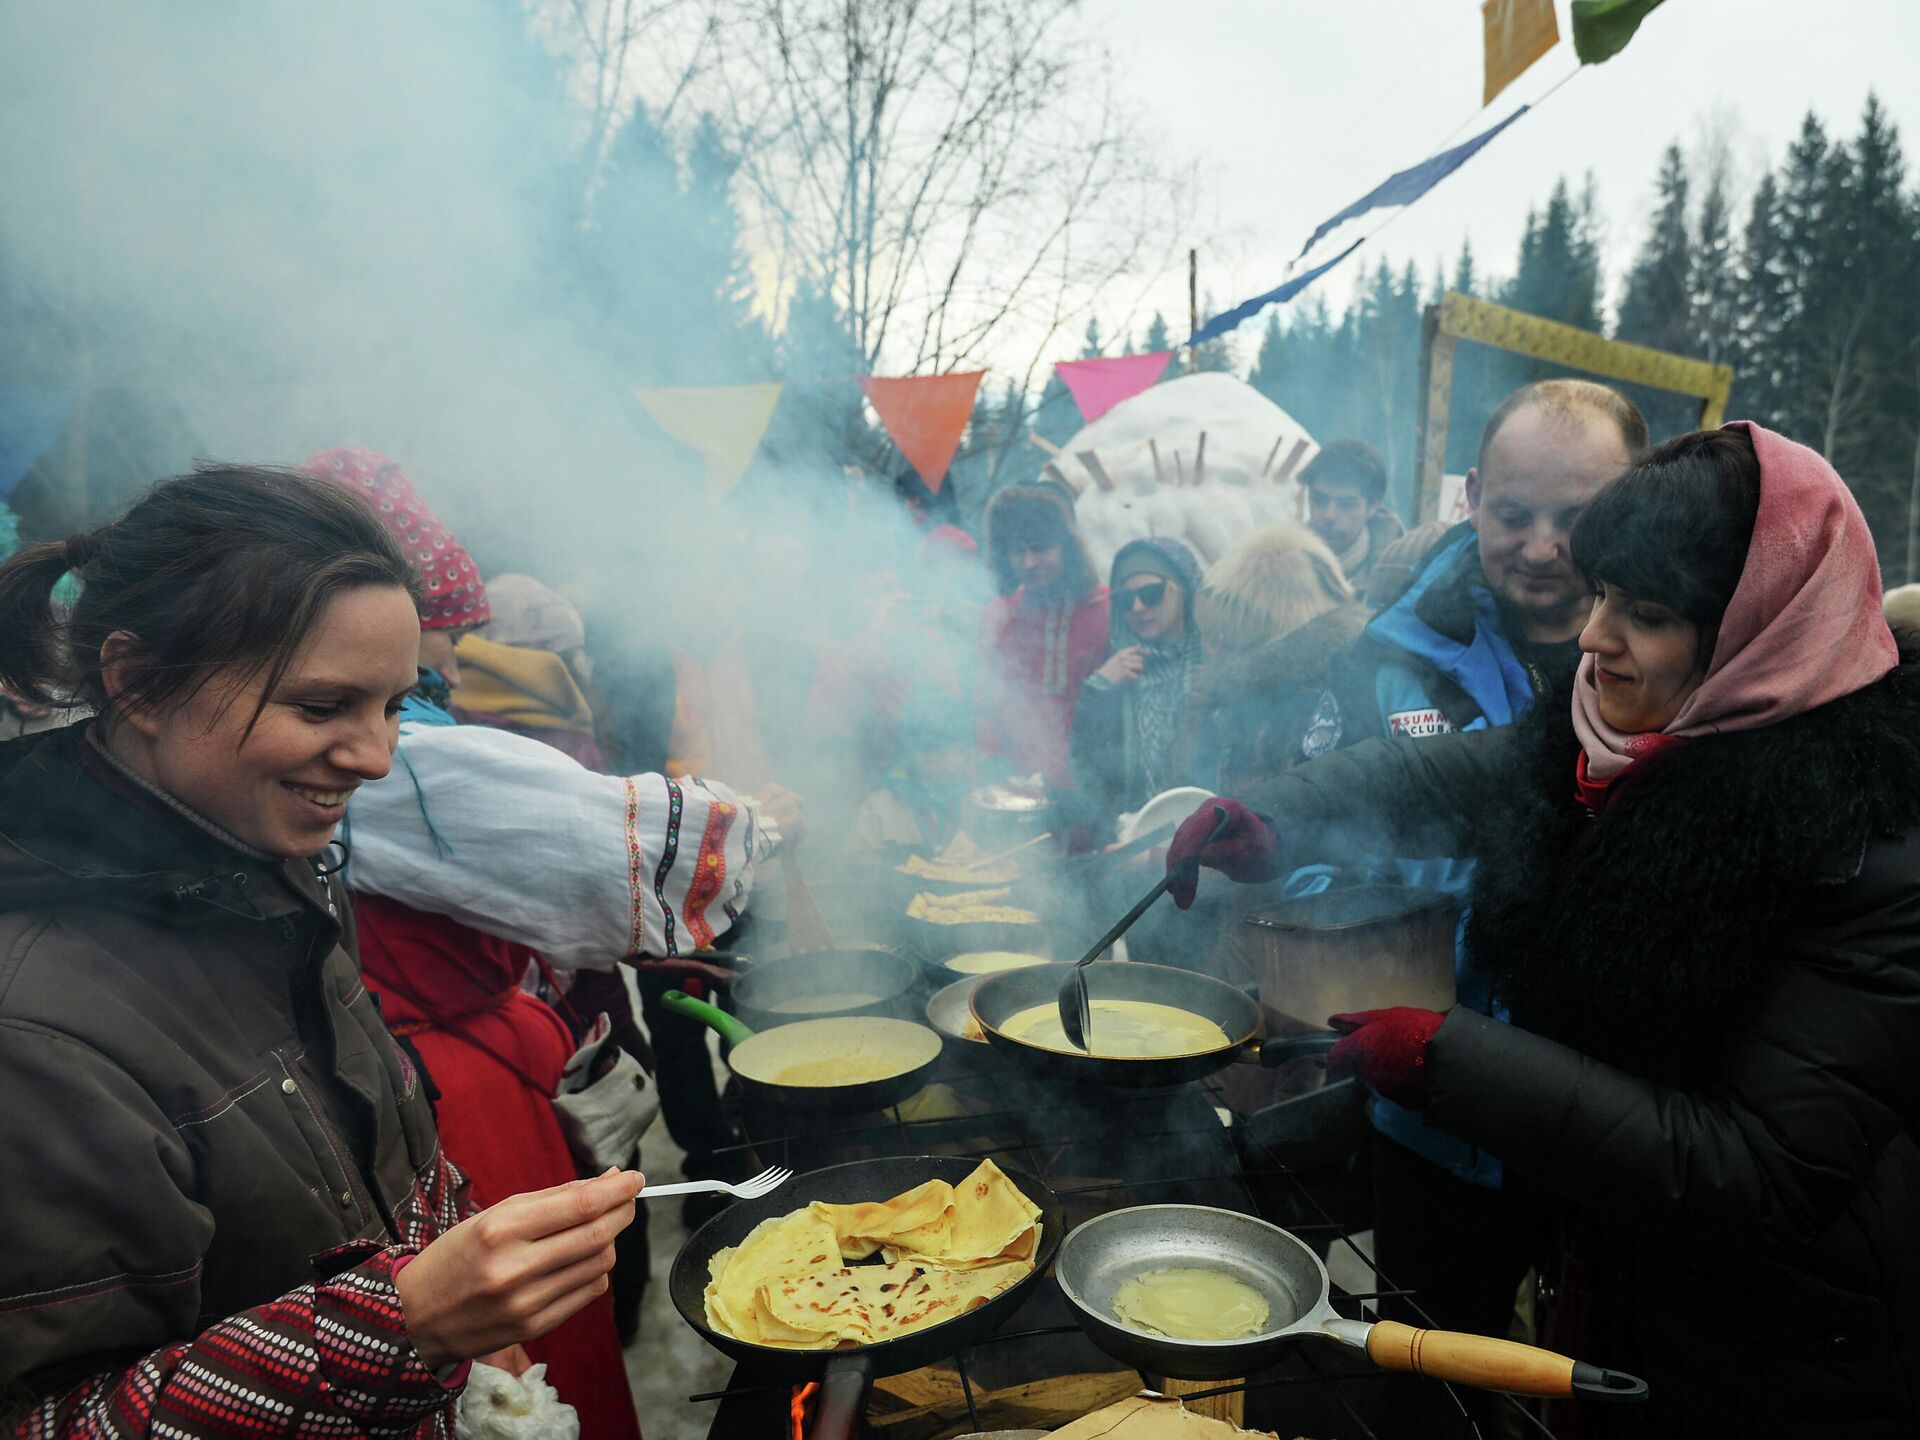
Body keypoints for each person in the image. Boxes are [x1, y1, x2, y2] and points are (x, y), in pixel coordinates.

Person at [1168, 423, 1920, 1437]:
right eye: (1599, 592)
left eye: (1644, 614)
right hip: (1631, 1278)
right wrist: (1274, 814)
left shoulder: (1865, 843)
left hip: (1779, 1349)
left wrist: (1451, 1060)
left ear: (1761, 626)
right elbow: (1466, 776)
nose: (1594, 636)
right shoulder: (1632, 741)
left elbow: (1754, 1172)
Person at [0, 466, 641, 1435]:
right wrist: (405, 1325)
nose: (377, 756)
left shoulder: (273, 861)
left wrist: (453, 1270)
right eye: (321, 706)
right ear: (136, 683)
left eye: (394, 704)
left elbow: (376, 1139)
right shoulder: (32, 1022)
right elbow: (56, 1422)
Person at [1279, 380, 1649, 1421]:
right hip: (1433, 1118)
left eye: (1577, 518)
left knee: (1592, 1381)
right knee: (1433, 1384)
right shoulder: (1385, 663)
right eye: (1514, 513)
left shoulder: (1687, 654)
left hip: (1622, 1116)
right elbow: (1309, 872)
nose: (1541, 546)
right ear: (1472, 498)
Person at [1178, 526, 1364, 796]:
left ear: (1275, 636)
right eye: (1209, 635)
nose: (1213, 650)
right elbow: (1190, 779)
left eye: (1227, 639)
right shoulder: (1222, 686)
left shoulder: (1315, 701)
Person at [976, 482, 1110, 792]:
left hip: (1092, 785)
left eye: (1040, 547)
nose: (1029, 562)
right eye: (1017, 551)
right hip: (1017, 788)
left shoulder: (1106, 610)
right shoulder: (997, 618)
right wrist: (991, 765)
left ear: (1067, 547)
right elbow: (986, 703)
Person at [1067, 536, 1204, 838]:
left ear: (1185, 592)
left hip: (1205, 843)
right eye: (1125, 600)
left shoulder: (1214, 661)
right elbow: (1087, 774)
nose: (1138, 607)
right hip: (1131, 842)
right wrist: (1097, 692)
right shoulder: (1114, 667)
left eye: (1152, 594)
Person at [1299, 438, 1404, 594]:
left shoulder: (1400, 575)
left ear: (1373, 506)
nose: (1329, 516)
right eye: (1319, 500)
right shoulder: (1279, 566)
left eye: (1346, 504)